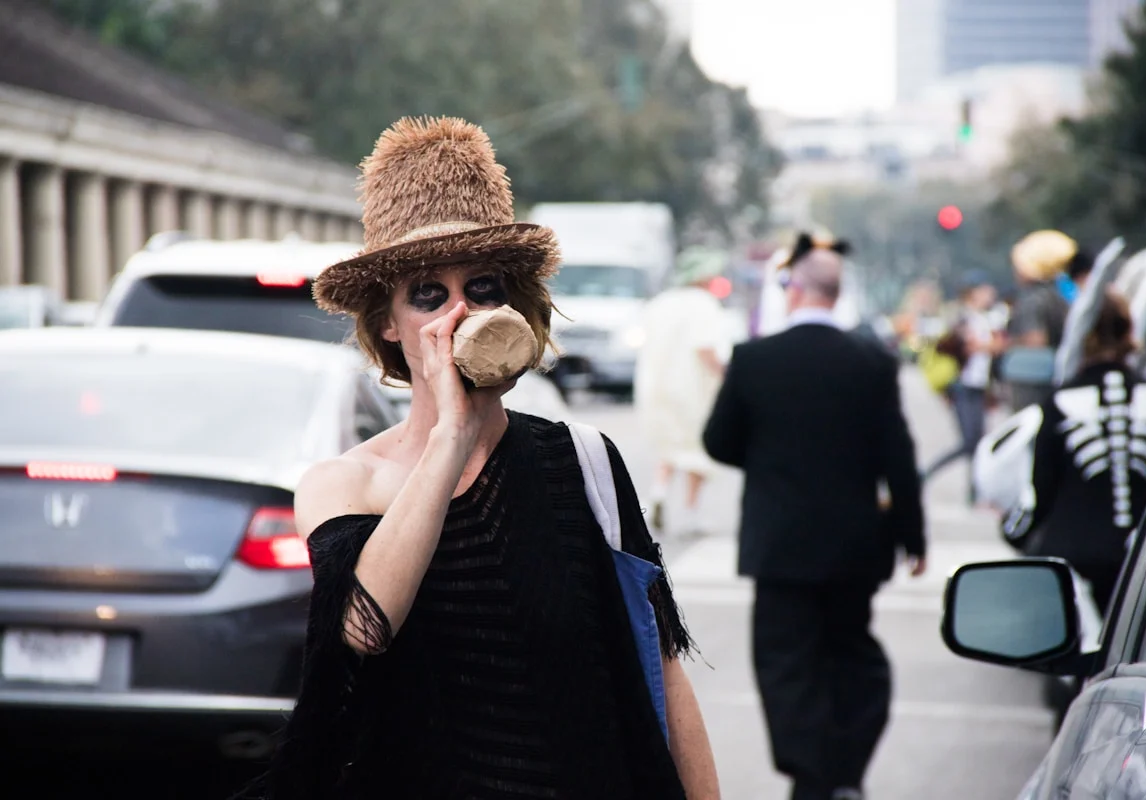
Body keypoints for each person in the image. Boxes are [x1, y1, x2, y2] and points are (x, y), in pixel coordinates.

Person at [238, 117, 719, 799]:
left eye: (483, 288)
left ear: (514, 306)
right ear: (388, 323)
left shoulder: (582, 461)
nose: (460, 312)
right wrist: (451, 434)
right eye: (428, 295)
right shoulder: (345, 483)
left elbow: (662, 668)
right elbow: (363, 628)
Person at [702, 240, 926, 800]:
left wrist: (769, 458)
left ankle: (810, 774)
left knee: (786, 663)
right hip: (855, 544)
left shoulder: (754, 359)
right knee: (853, 653)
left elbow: (718, 441)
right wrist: (913, 537)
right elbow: (898, 457)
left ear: (793, 289)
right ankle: (847, 771)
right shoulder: (873, 361)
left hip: (780, 542)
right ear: (837, 292)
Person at [1002, 290, 1146, 612]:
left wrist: (1013, 530)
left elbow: (1041, 490)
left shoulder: (1060, 402)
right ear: (1129, 332)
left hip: (1075, 561)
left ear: (1078, 335)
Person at [635, 245, 731, 536]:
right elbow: (705, 348)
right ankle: (691, 512)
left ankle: (659, 493)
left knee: (669, 446)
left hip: (656, 387)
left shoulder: (660, 303)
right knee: (696, 450)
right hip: (693, 389)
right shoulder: (705, 304)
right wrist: (728, 377)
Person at [922, 270, 1002, 503]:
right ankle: (927, 473)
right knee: (969, 442)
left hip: (979, 387)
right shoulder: (961, 319)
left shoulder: (988, 319)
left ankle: (975, 490)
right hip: (962, 387)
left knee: (978, 442)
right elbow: (956, 348)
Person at [1004, 229, 1076, 411]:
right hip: (1054, 370)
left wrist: (1003, 344)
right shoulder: (1057, 294)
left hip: (1032, 376)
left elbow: (1036, 339)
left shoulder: (1032, 299)